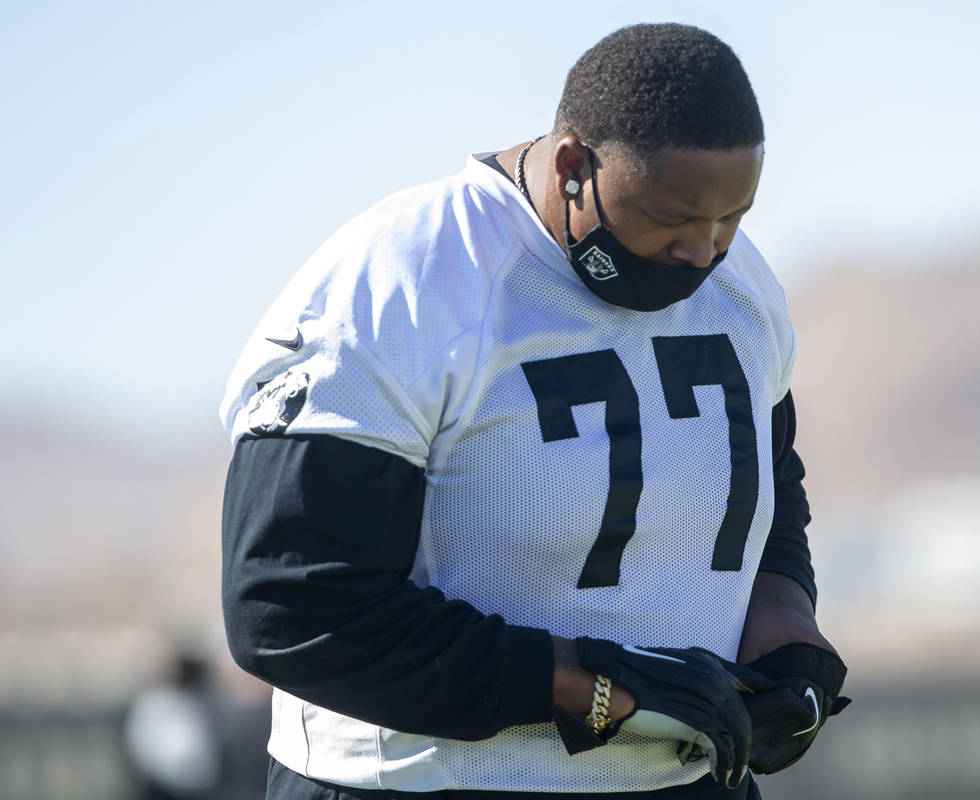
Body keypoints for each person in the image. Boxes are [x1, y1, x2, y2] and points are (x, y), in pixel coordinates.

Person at [219, 22, 849, 800]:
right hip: (425, 786)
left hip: (689, 783)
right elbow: (291, 605)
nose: (704, 252)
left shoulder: (742, 285)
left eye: (733, 217)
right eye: (674, 219)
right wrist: (588, 683)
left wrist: (787, 633)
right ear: (572, 165)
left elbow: (766, 488)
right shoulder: (403, 278)